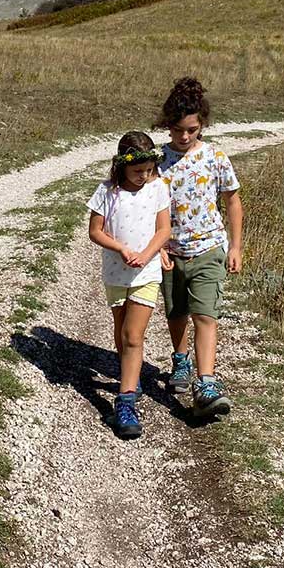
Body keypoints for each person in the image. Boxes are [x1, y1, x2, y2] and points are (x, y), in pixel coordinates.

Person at [156, 77, 242, 416]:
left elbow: (232, 201)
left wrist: (235, 247)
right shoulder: (157, 161)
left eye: (191, 129)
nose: (184, 136)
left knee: (205, 315)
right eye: (178, 130)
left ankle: (206, 382)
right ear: (168, 126)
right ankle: (180, 360)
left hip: (209, 248)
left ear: (201, 125)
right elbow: (147, 205)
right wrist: (156, 248)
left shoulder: (216, 158)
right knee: (176, 313)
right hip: (170, 252)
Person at [87, 131, 171, 439]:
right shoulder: (106, 192)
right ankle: (129, 377)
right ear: (122, 166)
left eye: (149, 170)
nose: (144, 176)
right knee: (122, 334)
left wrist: (148, 254)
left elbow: (164, 230)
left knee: (134, 336)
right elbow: (94, 231)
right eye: (138, 171)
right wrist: (120, 248)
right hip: (115, 273)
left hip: (146, 273)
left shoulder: (158, 189)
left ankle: (125, 402)